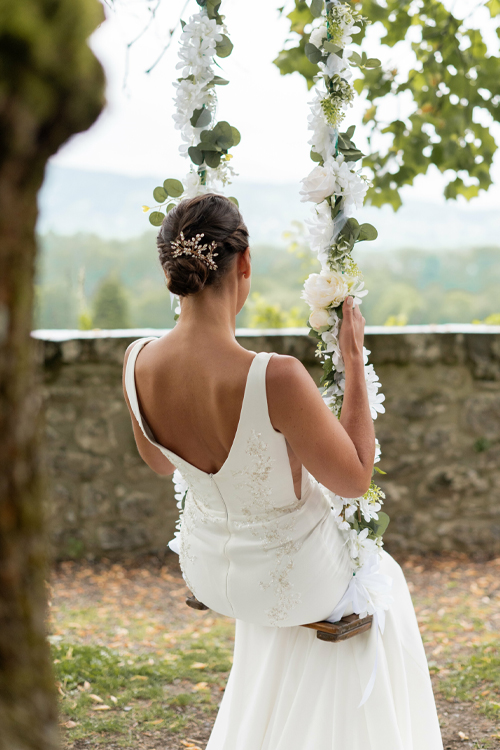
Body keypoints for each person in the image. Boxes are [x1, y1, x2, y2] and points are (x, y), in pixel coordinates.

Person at [122, 193, 443, 750]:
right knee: (381, 580)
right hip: (293, 582)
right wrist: (353, 363)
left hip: (212, 573)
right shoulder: (275, 377)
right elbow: (354, 480)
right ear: (243, 264)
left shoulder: (136, 360)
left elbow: (157, 461)